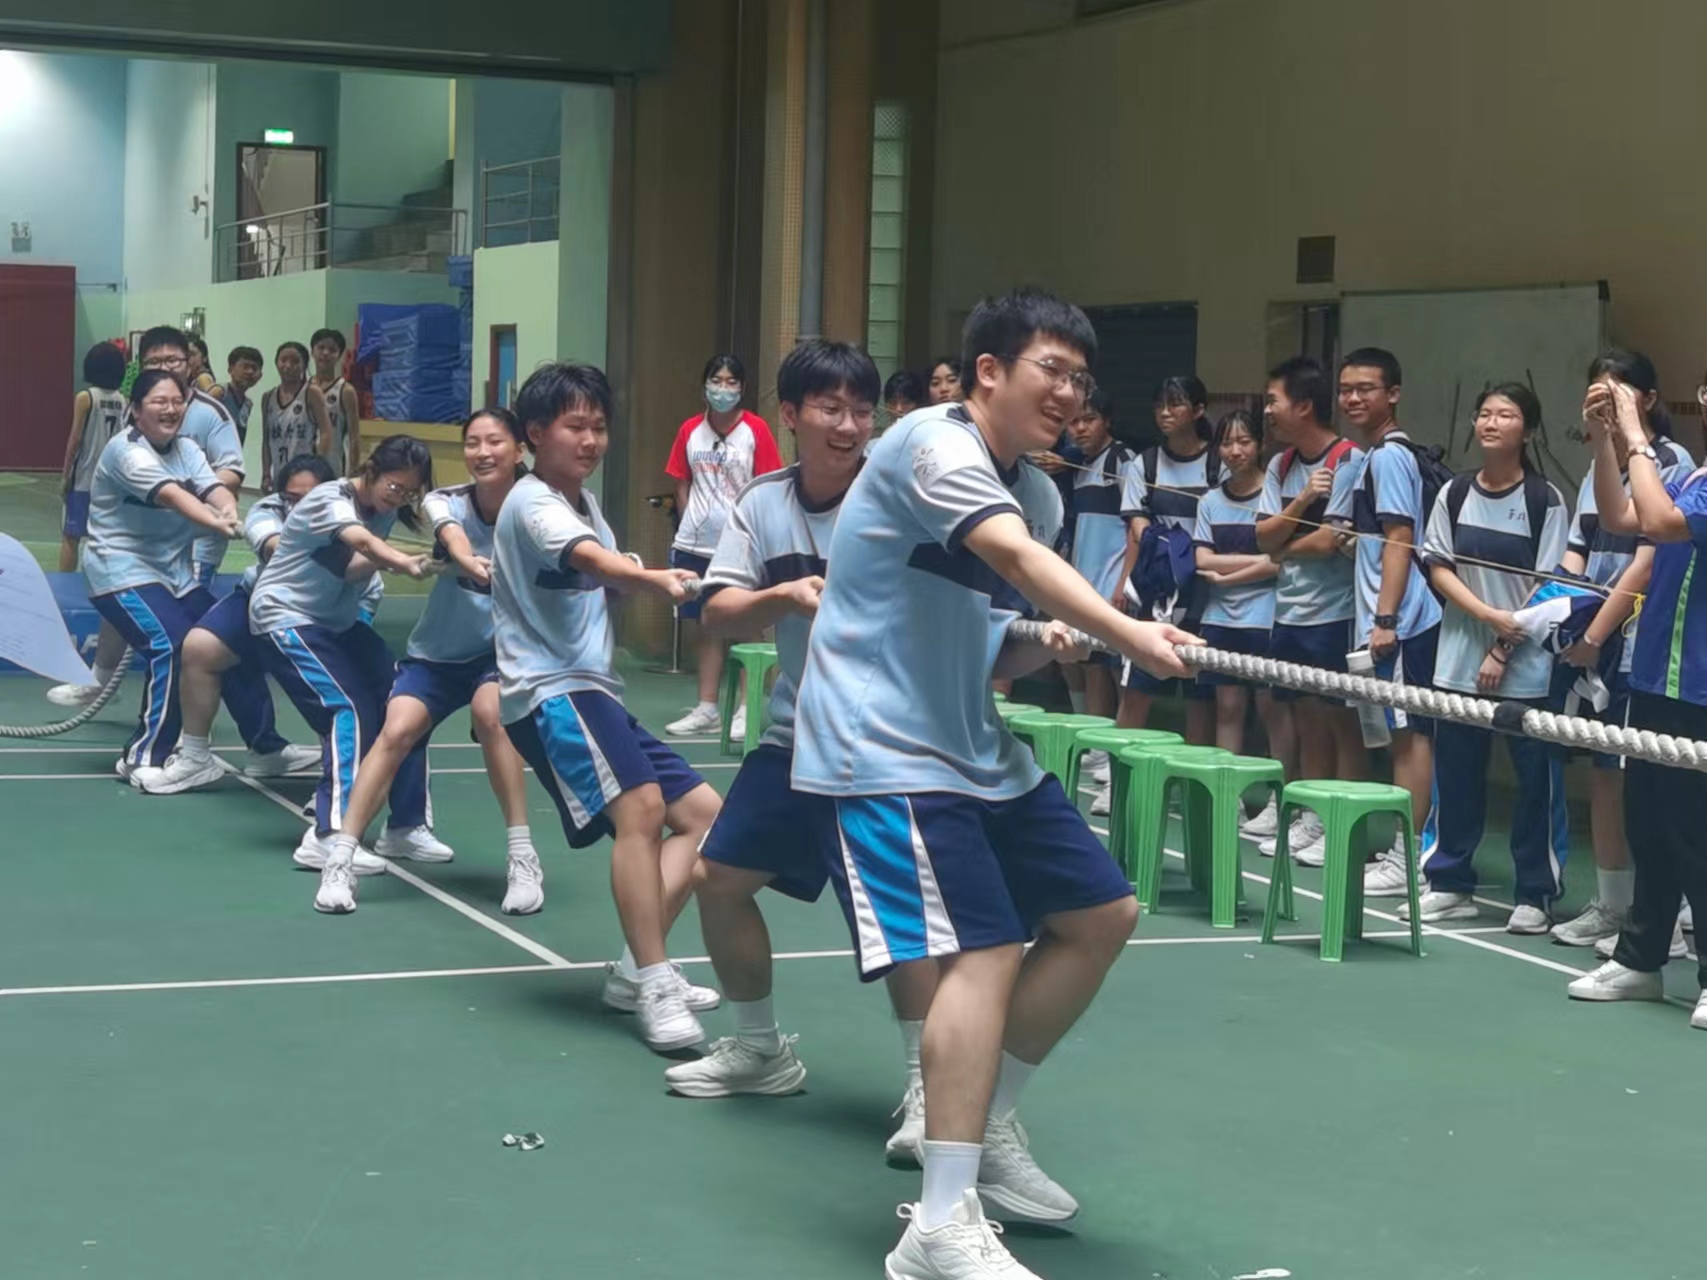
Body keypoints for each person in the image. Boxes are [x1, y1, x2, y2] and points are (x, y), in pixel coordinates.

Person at [792, 289, 1198, 1280]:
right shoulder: (931, 445)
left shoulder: (1042, 497)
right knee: (981, 951)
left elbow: (984, 642)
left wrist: (1042, 641)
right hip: (881, 745)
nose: (1068, 393)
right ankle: (938, 1222)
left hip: (969, 742)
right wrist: (1125, 630)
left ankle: (986, 1124)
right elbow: (1009, 553)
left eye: (1079, 379)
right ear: (988, 371)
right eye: (1049, 370)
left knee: (1100, 913)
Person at [662, 339, 882, 1099]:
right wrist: (781, 596)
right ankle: (760, 1050)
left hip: (891, 744)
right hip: (797, 734)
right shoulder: (763, 502)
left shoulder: (896, 500)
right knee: (718, 878)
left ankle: (935, 1087)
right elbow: (718, 612)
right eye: (830, 408)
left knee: (899, 921)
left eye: (862, 410)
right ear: (789, 414)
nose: (848, 425)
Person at [493, 363, 724, 1054]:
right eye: (576, 426)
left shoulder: (582, 503)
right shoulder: (532, 503)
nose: (591, 440)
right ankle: (655, 982)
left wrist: (632, 579)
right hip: (550, 692)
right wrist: (651, 579)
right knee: (643, 810)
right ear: (536, 433)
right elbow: (592, 562)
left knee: (707, 817)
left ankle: (632, 972)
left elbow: (596, 571)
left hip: (594, 690)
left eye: (599, 427)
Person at [313, 409, 543, 916]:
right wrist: (465, 558)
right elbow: (451, 532)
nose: (482, 452)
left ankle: (523, 858)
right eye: (472, 443)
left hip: (498, 654)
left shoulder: (538, 507)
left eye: (494, 442)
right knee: (396, 731)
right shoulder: (447, 500)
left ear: (520, 449)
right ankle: (341, 859)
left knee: (490, 715)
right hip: (436, 655)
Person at [1566, 376, 1707, 1025]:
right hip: (1654, 679)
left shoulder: (1682, 483)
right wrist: (1605, 440)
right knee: (1649, 826)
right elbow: (1621, 519)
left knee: (1694, 835)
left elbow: (1656, 521)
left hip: (1698, 690)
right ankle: (1640, 959)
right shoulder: (1693, 477)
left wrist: (1635, 434)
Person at [1412, 384, 1570, 931]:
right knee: (1455, 776)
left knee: (1535, 783)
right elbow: (1438, 567)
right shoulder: (1453, 493)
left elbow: (1550, 585)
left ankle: (1535, 893)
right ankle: (1450, 881)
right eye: (1484, 414)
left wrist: (1503, 647)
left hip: (1527, 668)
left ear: (1528, 431)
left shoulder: (1545, 500)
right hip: (1457, 661)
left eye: (1506, 415)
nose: (1491, 422)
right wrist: (1486, 617)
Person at [247, 436, 437, 871]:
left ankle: (406, 827)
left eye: (409, 493)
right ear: (371, 470)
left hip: (336, 621)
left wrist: (418, 558)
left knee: (408, 703)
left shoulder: (382, 511)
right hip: (286, 616)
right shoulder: (329, 500)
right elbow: (360, 542)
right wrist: (399, 561)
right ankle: (329, 835)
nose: (399, 498)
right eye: (395, 487)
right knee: (347, 710)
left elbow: (348, 569)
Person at [80, 370, 279, 782]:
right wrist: (215, 521)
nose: (170, 409)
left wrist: (227, 507)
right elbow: (174, 496)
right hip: (120, 570)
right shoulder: (126, 452)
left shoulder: (187, 448)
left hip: (175, 572)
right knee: (171, 644)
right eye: (159, 402)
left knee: (226, 638)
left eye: (177, 401)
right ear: (136, 410)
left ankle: (267, 747)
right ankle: (144, 756)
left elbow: (212, 488)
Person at [47, 326, 247, 705]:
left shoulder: (210, 414)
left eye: (172, 360)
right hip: (136, 544)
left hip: (191, 545)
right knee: (134, 614)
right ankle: (101, 682)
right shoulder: (137, 409)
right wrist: (174, 494)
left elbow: (230, 472)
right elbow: (145, 474)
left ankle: (194, 725)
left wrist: (211, 509)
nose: (164, 368)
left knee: (193, 637)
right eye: (154, 361)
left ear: (191, 362)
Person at [131, 455, 345, 797]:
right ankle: (196, 759)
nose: (300, 507)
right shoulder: (267, 510)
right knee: (200, 648)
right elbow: (274, 548)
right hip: (260, 599)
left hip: (324, 612)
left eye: (311, 498)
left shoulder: (350, 521)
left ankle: (338, 781)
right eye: (292, 498)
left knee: (332, 691)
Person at [1334, 348, 1443, 896]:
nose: (1353, 398)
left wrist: (1386, 618)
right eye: (1346, 389)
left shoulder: (1390, 457)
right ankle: (1408, 851)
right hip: (1389, 617)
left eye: (1366, 389)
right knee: (1400, 735)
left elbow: (1401, 538)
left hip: (1404, 621)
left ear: (1393, 394)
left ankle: (1409, 858)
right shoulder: (1369, 456)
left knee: (1410, 736)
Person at [1253, 356, 1365, 864]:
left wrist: (1284, 546)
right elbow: (1261, 537)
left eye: (1273, 400)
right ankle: (1312, 815)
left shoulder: (1348, 459)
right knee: (1304, 717)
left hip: (1335, 615)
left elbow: (1329, 541)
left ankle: (1342, 825)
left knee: (1341, 721)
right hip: (1288, 613)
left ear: (1303, 406)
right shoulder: (1281, 465)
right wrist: (1300, 502)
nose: (1267, 410)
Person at [662, 354, 783, 739]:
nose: (723, 389)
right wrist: (688, 522)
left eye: (732, 382)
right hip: (694, 545)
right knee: (706, 624)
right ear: (705, 386)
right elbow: (681, 481)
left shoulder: (756, 430)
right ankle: (707, 707)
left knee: (746, 623)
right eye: (716, 380)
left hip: (741, 546)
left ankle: (748, 708)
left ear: (742, 388)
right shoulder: (689, 430)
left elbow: (768, 485)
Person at [1109, 375, 1218, 774]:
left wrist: (1193, 557)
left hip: (1204, 592)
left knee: (1199, 695)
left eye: (1176, 404)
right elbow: (1137, 525)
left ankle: (1190, 778)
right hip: (1157, 589)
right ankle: (1119, 772)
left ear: (1199, 410)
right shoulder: (1146, 463)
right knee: (1138, 685)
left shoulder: (1218, 463)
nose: (1165, 413)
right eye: (1160, 406)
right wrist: (1166, 554)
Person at [1191, 408, 1280, 756]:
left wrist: (1228, 578)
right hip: (1219, 619)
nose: (1235, 451)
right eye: (1227, 443)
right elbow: (1203, 559)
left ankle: (1280, 788)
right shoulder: (1210, 500)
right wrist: (1260, 562)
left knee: (1271, 710)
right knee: (1227, 710)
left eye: (1244, 441)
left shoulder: (1275, 495)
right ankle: (1226, 785)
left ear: (1260, 445)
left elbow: (1281, 564)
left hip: (1267, 617)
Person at [1060, 389, 1132, 806]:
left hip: (1112, 585)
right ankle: (1096, 741)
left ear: (1107, 421)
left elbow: (1135, 529)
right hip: (1084, 582)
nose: (1080, 428)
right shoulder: (1078, 466)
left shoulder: (1122, 461)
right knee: (1089, 666)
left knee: (1116, 670)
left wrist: (1123, 583)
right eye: (1074, 422)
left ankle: (1114, 748)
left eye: (1088, 419)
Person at [59, 342, 129, 572]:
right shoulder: (123, 400)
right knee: (103, 538)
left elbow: (75, 439)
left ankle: (64, 584)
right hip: (111, 481)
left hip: (83, 478)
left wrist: (65, 475)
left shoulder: (86, 397)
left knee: (71, 535)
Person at [261, 341, 333, 493]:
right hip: (279, 473)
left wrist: (317, 468)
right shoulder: (268, 397)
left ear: (304, 365)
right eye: (283, 360)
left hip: (304, 475)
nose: (288, 365)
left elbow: (326, 433)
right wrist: (266, 474)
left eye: (295, 361)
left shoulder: (311, 392)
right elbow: (266, 440)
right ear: (276, 363)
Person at [310, 328, 361, 476]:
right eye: (321, 348)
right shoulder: (303, 388)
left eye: (332, 350)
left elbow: (354, 437)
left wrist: (353, 472)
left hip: (333, 467)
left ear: (339, 355)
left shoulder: (345, 391)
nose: (326, 353)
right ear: (312, 352)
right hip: (304, 466)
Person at [210, 345, 265, 446]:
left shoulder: (248, 404)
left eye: (254, 368)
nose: (250, 372)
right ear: (230, 369)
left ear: (260, 375)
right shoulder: (219, 392)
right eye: (245, 367)